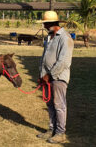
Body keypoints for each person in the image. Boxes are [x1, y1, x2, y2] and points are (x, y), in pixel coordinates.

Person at [36, 11, 74, 144]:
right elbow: (44, 57)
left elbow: (63, 62)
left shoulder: (65, 38)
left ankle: (60, 132)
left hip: (58, 78)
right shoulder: (49, 37)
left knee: (59, 105)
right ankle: (51, 129)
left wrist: (49, 75)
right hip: (47, 78)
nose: (45, 26)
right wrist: (42, 75)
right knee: (50, 104)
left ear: (53, 23)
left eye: (46, 24)